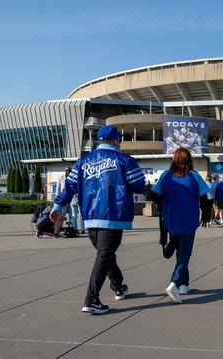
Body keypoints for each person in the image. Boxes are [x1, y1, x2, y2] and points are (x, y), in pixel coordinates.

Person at [50, 125, 145, 314]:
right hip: (113, 215)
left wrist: (58, 205)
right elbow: (139, 185)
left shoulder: (83, 161)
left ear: (99, 141)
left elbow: (70, 186)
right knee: (105, 255)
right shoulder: (124, 160)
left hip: (90, 216)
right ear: (116, 141)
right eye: (119, 140)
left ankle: (118, 286)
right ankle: (91, 299)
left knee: (106, 254)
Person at [152, 148, 211, 304]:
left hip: (170, 219)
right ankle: (175, 282)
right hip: (189, 220)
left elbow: (153, 195)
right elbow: (204, 199)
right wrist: (206, 216)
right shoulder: (194, 176)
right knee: (185, 254)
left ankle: (184, 285)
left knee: (179, 250)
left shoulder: (165, 176)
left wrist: (166, 201)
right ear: (189, 160)